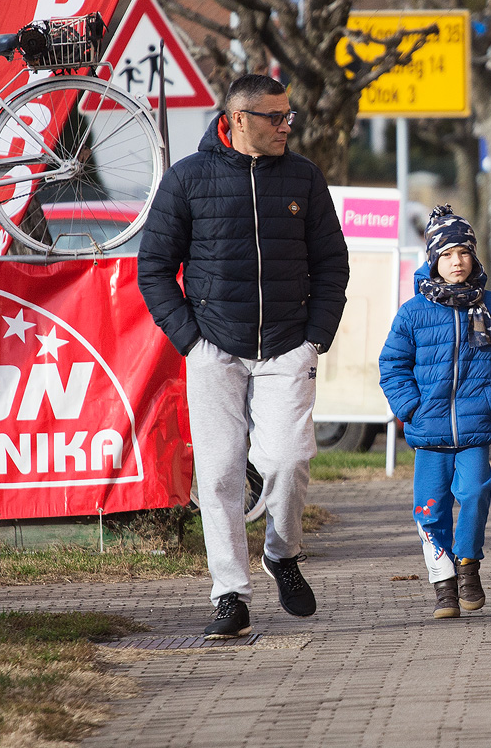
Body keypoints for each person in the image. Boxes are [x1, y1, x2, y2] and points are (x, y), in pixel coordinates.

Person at [138, 74, 350, 639]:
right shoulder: (187, 178)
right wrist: (191, 340)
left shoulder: (304, 178)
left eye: (289, 115)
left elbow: (332, 263)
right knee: (221, 471)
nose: (287, 125)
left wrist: (315, 336)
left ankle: (282, 554)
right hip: (213, 348)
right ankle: (229, 593)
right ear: (235, 119)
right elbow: (153, 268)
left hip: (287, 344)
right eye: (274, 117)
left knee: (288, 458)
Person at [380, 206, 491, 619]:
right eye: (447, 254)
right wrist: (410, 408)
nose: (457, 262)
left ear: (474, 257)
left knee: (475, 493)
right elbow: (393, 365)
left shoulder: (490, 306)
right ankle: (443, 585)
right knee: (429, 508)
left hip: (475, 429)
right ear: (433, 261)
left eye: (464, 253)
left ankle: (467, 564)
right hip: (429, 432)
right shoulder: (413, 313)